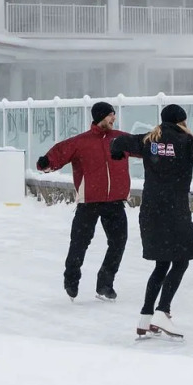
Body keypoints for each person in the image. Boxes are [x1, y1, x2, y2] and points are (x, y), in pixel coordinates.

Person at [110, 104, 193, 339]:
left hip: (150, 211)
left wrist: (117, 153)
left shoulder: (148, 140)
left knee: (162, 264)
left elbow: (119, 142)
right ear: (182, 121)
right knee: (185, 257)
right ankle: (163, 311)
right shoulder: (186, 142)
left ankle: (145, 317)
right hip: (175, 211)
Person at [37, 101, 131, 302]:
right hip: (88, 202)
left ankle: (105, 283)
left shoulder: (121, 139)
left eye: (114, 115)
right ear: (100, 117)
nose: (113, 118)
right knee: (79, 243)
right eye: (110, 115)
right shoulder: (81, 142)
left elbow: (144, 145)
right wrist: (46, 162)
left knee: (118, 242)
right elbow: (58, 153)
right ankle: (71, 278)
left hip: (115, 201)